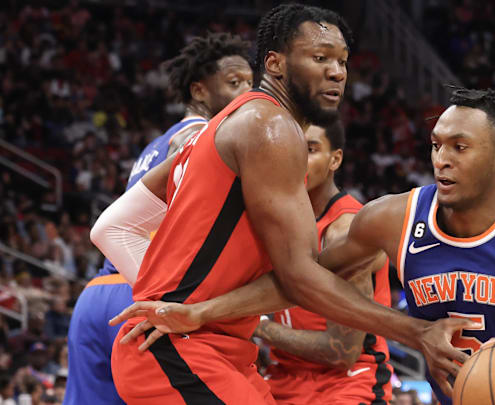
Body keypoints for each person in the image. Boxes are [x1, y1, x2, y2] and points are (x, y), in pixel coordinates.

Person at [109, 77, 495, 404]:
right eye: (437, 145)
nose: (442, 158)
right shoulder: (394, 218)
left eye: (461, 147)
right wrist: (202, 312)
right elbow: (298, 281)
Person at [96, 4, 468, 403]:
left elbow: (109, 226)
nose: (337, 72)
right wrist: (417, 332)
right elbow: (299, 279)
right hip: (184, 350)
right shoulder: (269, 127)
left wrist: (186, 304)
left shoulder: (219, 130)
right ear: (274, 63)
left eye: (342, 61)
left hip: (207, 344)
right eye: (319, 58)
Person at [65, 32, 253, 405]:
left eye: (251, 82)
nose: (247, 92)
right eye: (235, 83)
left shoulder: (152, 147)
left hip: (97, 295)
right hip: (144, 292)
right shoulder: (201, 135)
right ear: (199, 92)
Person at [255, 123, 393, 404]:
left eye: (311, 149)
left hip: (349, 381)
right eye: (290, 149)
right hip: (282, 375)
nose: (297, 159)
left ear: (335, 159)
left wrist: (256, 325)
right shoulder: (271, 218)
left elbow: (341, 352)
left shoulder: (344, 229)